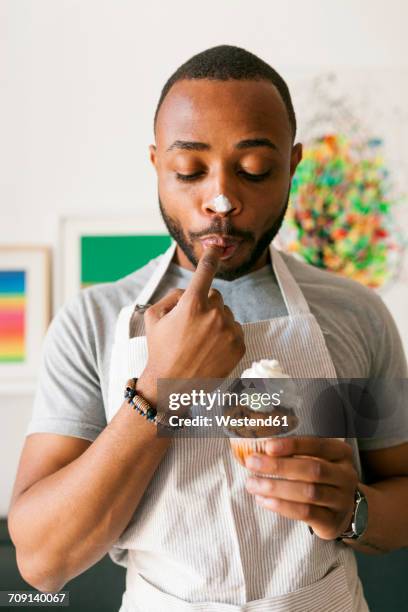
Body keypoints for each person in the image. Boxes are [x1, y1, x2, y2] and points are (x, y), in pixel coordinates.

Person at [8, 45, 408, 612]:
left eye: (254, 171)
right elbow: (43, 563)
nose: (221, 200)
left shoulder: (356, 315)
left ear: (293, 165)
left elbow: (402, 497)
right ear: (155, 165)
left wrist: (352, 510)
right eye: (189, 170)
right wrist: (161, 384)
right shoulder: (94, 321)